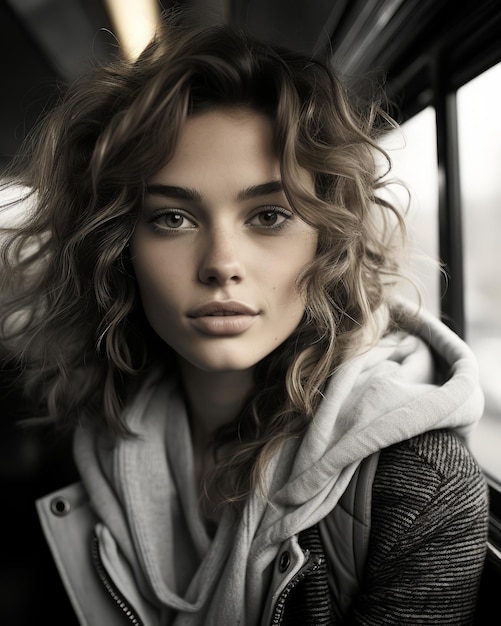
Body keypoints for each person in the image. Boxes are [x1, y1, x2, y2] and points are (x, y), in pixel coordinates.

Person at [0, 9, 489, 626]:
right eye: (172, 218)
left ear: (326, 243)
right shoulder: (83, 432)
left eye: (268, 216)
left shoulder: (420, 487)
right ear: (119, 250)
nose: (221, 265)